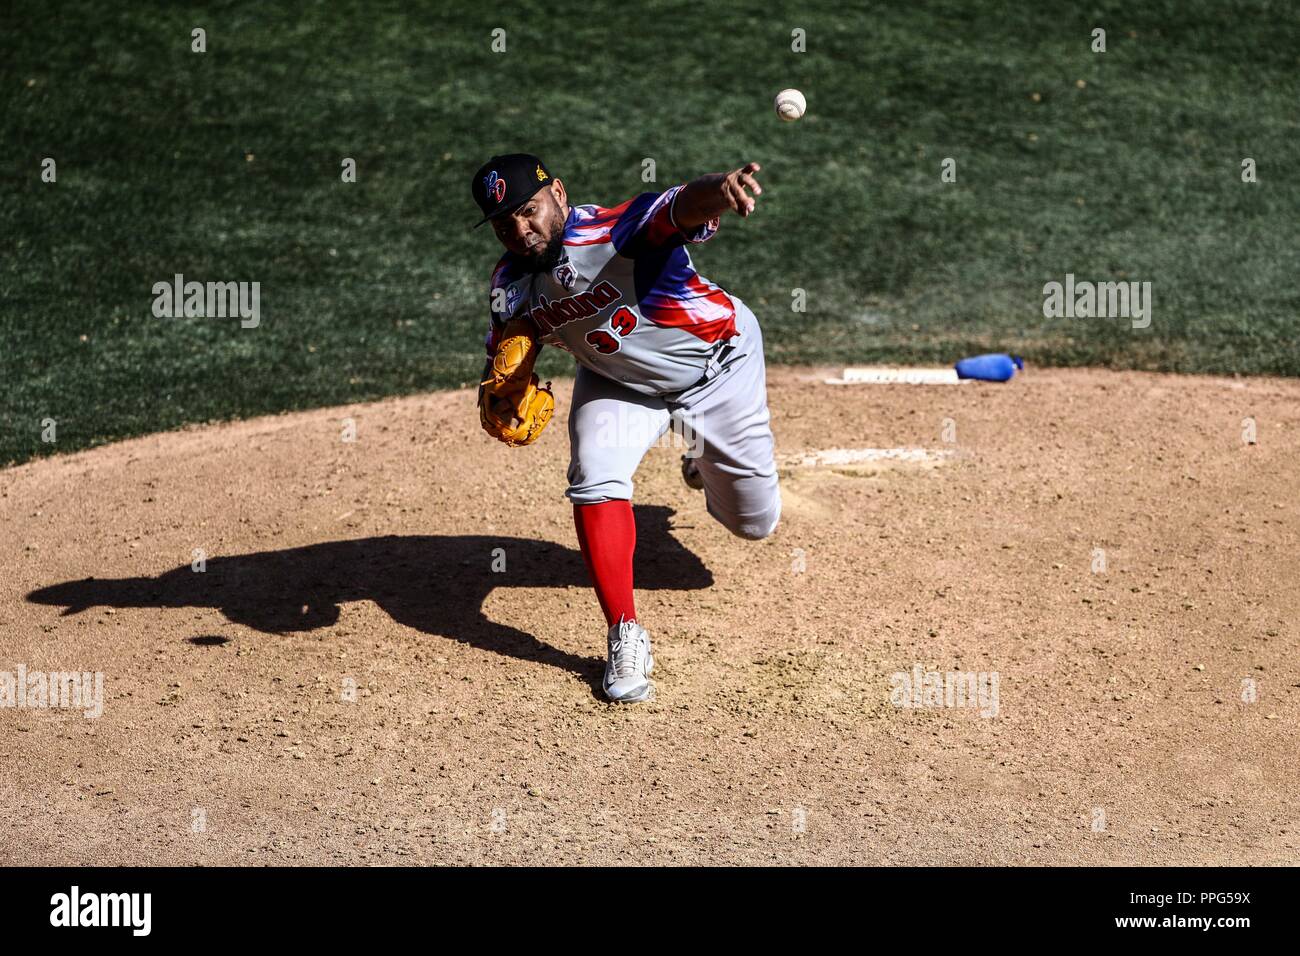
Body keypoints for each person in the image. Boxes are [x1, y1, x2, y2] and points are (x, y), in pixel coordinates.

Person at [471, 153, 780, 702]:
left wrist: (721, 187)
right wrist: (500, 387)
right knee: (593, 473)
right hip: (618, 385)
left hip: (718, 367)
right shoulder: (509, 283)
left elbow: (680, 206)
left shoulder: (614, 232)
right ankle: (624, 633)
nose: (520, 230)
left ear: (558, 194)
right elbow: (506, 351)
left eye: (529, 210)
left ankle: (698, 450)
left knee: (754, 524)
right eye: (503, 223)